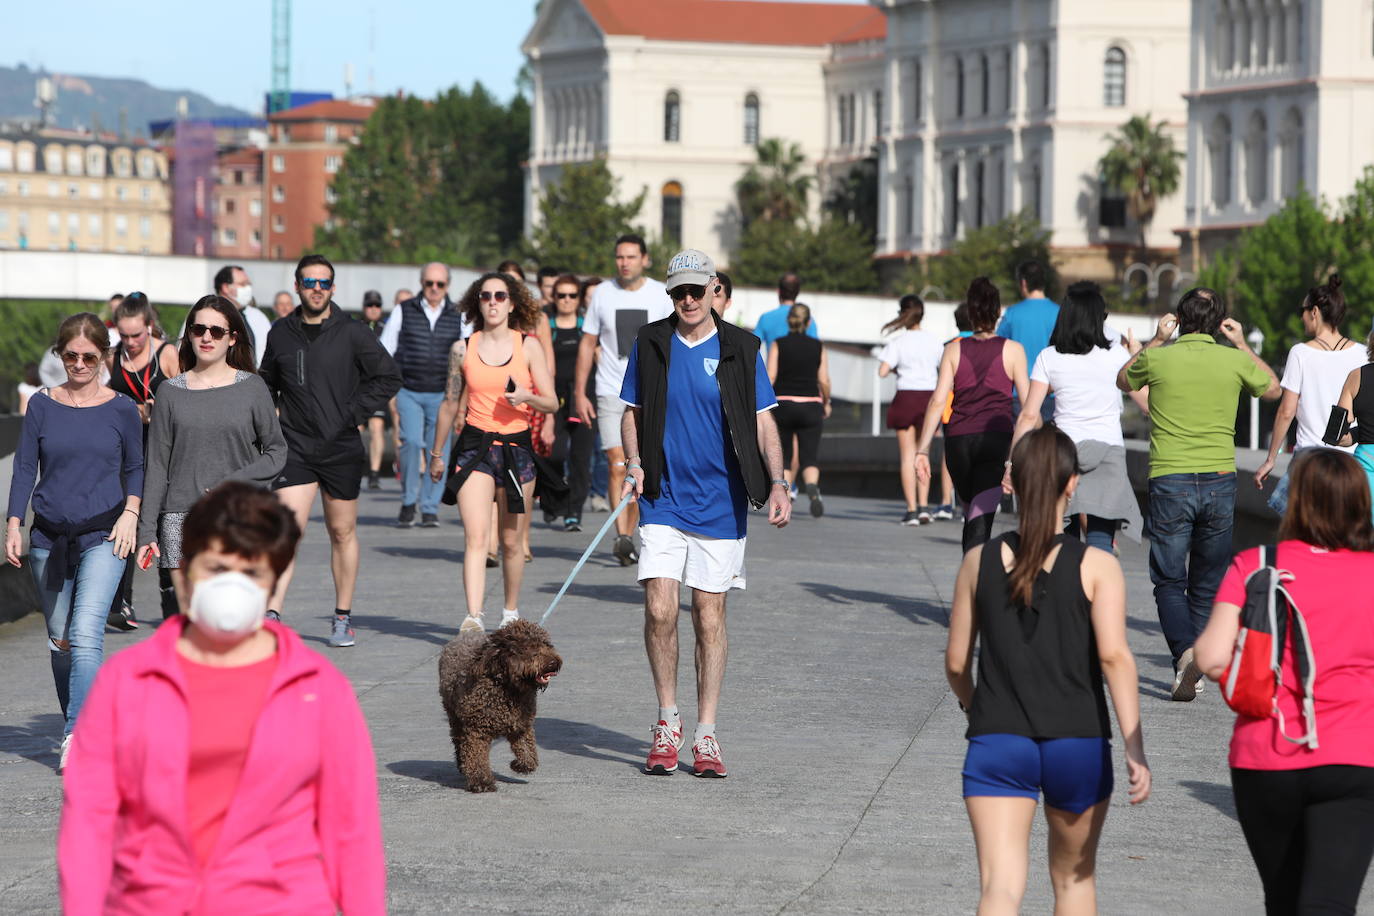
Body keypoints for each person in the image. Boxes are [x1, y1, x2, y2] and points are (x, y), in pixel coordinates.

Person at [59, 481, 386, 914]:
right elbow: (89, 822)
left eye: (250, 573)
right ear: (185, 570)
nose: (232, 586)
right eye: (216, 568)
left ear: (274, 580)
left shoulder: (318, 688)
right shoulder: (127, 680)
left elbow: (352, 833)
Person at [946, 425, 1150, 914]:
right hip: (1077, 741)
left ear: (1010, 482)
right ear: (1071, 485)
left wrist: (981, 710)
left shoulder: (979, 560)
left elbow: (956, 664)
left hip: (998, 741)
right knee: (1073, 884)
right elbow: (1114, 657)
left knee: (999, 887)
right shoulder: (1098, 565)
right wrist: (1133, 746)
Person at [621, 248, 790, 778]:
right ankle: (667, 722)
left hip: (721, 503)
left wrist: (779, 480)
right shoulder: (650, 342)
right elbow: (632, 413)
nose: (689, 300)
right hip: (662, 497)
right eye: (679, 292)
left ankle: (707, 734)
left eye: (697, 290)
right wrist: (634, 461)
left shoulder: (743, 347)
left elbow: (764, 422)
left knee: (710, 616)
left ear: (715, 288)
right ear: (669, 294)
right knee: (659, 609)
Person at [1194, 449, 1374, 915]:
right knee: (1329, 903)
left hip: (1266, 755)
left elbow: (1211, 658)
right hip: (1357, 757)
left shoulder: (1257, 564)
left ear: (1296, 501)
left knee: (1284, 899)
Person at [1117, 287, 1280, 700]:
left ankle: (1184, 655)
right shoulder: (1233, 359)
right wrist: (1240, 343)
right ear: (1217, 320)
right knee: (1207, 579)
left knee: (1170, 578)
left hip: (1170, 478)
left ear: (1180, 318)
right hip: (1220, 480)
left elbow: (1122, 379)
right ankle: (1193, 659)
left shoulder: (1159, 356)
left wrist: (1155, 340)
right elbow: (1274, 389)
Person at [5, 312, 143, 771]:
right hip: (49, 535)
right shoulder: (42, 405)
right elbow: (25, 467)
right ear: (59, 355)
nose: (79, 365)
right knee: (60, 641)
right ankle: (80, 721)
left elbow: (136, 468)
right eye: (70, 356)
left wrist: (131, 513)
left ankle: (76, 734)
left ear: (104, 356)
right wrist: (13, 523)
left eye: (89, 356)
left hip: (106, 531)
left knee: (86, 635)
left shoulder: (122, 408)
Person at [260, 254, 402, 648]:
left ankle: (342, 618)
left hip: (340, 445)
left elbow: (388, 376)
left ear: (333, 289)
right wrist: (268, 421)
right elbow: (266, 382)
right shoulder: (280, 333)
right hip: (295, 446)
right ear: (298, 285)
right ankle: (271, 614)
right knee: (289, 530)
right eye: (310, 282)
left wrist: (353, 412)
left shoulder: (353, 332)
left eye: (324, 283)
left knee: (342, 531)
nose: (317, 289)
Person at [136, 295, 286, 617]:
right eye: (199, 329)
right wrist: (147, 532)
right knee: (194, 626)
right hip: (180, 519)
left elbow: (276, 451)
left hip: (238, 518)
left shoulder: (253, 388)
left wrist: (233, 482)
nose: (206, 337)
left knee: (236, 621)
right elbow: (157, 465)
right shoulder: (169, 392)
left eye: (216, 331)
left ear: (233, 338)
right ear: (189, 334)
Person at [429, 272, 559, 634]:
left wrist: (527, 398)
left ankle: (510, 612)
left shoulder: (527, 346)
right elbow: (449, 403)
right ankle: (473, 616)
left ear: (512, 303)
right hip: (475, 447)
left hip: (516, 448)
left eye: (501, 296)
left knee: (511, 541)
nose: (493, 302)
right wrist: (437, 453)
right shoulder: (463, 348)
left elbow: (551, 403)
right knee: (476, 536)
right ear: (477, 302)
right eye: (485, 296)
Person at [1006, 281, 1146, 551]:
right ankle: (1098, 586)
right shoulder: (1117, 354)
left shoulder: (1049, 357)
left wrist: (1011, 465)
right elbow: (1148, 404)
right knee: (1101, 538)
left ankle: (1068, 588)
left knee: (1063, 537)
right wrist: (1138, 356)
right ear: (1099, 318)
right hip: (1108, 451)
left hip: (1063, 453)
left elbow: (1028, 415)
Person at [573, 234, 671, 566]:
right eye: (619, 257)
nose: (624, 262)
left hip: (650, 395)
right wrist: (578, 392)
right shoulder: (602, 294)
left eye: (631, 256)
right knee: (618, 462)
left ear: (645, 259)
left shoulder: (660, 294)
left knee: (637, 464)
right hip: (609, 389)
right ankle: (621, 535)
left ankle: (629, 533)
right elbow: (587, 344)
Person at [915, 278, 1029, 552]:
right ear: (997, 312)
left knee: (972, 515)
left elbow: (937, 401)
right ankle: (975, 586)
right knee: (980, 523)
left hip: (959, 442)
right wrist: (1016, 459)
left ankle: (972, 582)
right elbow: (1028, 409)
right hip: (995, 440)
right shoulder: (1013, 350)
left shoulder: (952, 349)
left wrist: (922, 450)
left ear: (972, 312)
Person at [1255, 274, 1364, 514]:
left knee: (1303, 532)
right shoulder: (1364, 354)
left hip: (1311, 461)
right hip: (1351, 463)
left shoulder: (1301, 353)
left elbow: (1286, 411)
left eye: (1302, 310)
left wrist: (1271, 458)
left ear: (1314, 311)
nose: (1302, 316)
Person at [104, 292, 181, 629]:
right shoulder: (113, 357)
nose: (131, 342)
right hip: (127, 451)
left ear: (149, 326)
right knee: (126, 518)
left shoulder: (167, 354)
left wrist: (157, 411)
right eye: (124, 335)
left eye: (137, 335)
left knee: (165, 522)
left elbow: (187, 401)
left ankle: (171, 599)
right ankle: (123, 602)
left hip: (165, 450)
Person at [380, 263, 469, 528]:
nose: (434, 289)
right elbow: (385, 349)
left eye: (439, 284)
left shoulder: (459, 315)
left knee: (438, 451)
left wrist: (461, 403)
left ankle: (430, 507)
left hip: (443, 395)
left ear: (447, 286)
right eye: (429, 283)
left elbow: (467, 356)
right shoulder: (404, 310)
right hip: (409, 389)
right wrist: (390, 389)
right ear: (422, 283)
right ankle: (409, 501)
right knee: (409, 442)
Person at [878, 294, 944, 525]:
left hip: (905, 397)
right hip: (928, 399)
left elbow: (882, 371)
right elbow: (943, 370)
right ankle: (925, 506)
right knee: (922, 454)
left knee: (907, 457)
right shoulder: (935, 341)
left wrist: (900, 370)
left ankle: (912, 510)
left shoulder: (898, 343)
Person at [543, 273, 596, 531]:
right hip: (552, 398)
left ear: (579, 299)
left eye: (572, 295)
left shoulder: (587, 327)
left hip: (584, 398)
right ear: (554, 297)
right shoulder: (547, 325)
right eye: (561, 295)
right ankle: (552, 501)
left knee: (580, 459)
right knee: (554, 453)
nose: (566, 300)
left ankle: (573, 512)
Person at [768, 303, 831, 518]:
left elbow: (771, 377)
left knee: (784, 457)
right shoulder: (818, 346)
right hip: (811, 405)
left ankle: (782, 499)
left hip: (783, 405)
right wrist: (826, 401)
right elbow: (823, 380)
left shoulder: (778, 344)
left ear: (789, 321)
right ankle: (812, 488)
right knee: (809, 457)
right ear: (809, 322)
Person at [998, 260, 1060, 420]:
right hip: (1051, 392)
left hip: (1018, 393)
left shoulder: (1012, 313)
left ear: (1023, 283)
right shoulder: (1060, 313)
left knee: (1021, 442)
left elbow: (998, 347)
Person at [179, 266, 271, 368]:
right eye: (242, 284)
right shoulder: (201, 313)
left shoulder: (258, 317)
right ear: (225, 288)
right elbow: (184, 350)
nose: (248, 289)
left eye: (248, 284)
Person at [358, 290, 389, 490]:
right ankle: (355, 466)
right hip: (357, 386)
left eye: (377, 305)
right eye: (370, 305)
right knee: (355, 428)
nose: (373, 309)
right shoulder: (356, 327)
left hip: (377, 386)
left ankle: (374, 472)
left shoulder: (386, 329)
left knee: (377, 427)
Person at [753, 271, 817, 350]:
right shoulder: (808, 319)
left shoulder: (765, 318)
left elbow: (752, 349)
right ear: (798, 292)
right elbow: (815, 349)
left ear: (779, 291)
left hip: (773, 361)